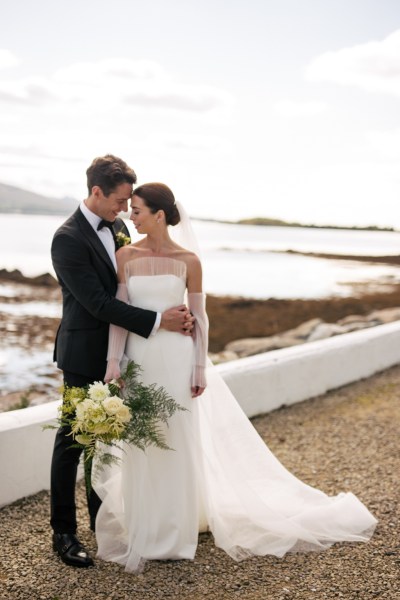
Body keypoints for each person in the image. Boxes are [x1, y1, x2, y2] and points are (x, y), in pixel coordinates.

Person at [93, 182, 377, 574]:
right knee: (144, 441)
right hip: (140, 359)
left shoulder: (189, 261)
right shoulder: (125, 256)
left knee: (177, 439)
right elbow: (119, 316)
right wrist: (113, 363)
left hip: (176, 361)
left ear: (159, 215)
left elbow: (201, 319)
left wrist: (198, 368)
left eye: (137, 210)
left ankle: (177, 533)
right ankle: (146, 527)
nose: (131, 216)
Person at [50, 157, 194, 568]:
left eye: (129, 202)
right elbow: (97, 303)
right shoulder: (67, 238)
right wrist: (158, 320)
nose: (124, 209)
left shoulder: (117, 227)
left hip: (127, 353)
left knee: (109, 442)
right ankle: (63, 533)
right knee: (74, 441)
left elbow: (128, 285)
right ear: (97, 192)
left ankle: (102, 525)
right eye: (119, 200)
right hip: (83, 353)